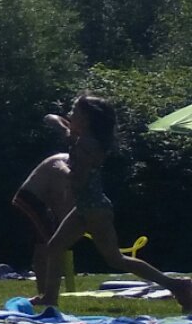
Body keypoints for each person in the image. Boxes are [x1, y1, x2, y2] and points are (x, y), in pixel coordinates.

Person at [35, 96, 192, 309]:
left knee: (114, 259)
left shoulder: (86, 144)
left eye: (75, 111)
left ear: (86, 119)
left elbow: (78, 178)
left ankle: (177, 285)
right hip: (87, 207)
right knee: (56, 247)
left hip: (93, 209)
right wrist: (57, 123)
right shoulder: (88, 140)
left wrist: (58, 167)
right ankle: (49, 298)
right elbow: (69, 134)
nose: (70, 114)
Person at [13, 152, 76, 266]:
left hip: (38, 203)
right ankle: (46, 276)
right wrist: (64, 224)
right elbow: (58, 197)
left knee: (43, 241)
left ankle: (45, 275)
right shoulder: (63, 164)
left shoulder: (68, 164)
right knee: (48, 242)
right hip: (30, 200)